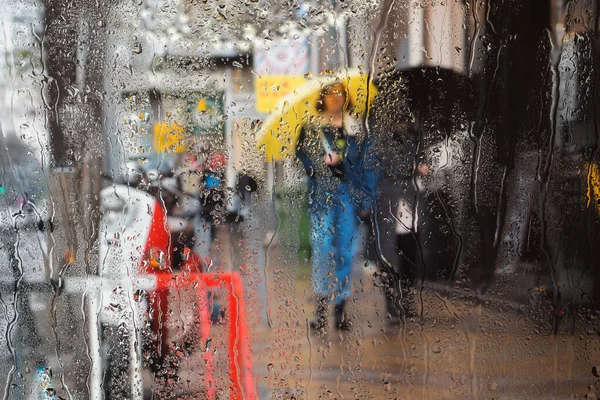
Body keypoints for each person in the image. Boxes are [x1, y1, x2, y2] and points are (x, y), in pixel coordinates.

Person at [295, 82, 365, 332]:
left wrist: (344, 163)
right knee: (323, 248)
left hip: (347, 195)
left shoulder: (354, 127)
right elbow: (301, 156)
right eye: (331, 94)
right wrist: (319, 162)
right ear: (322, 98)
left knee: (346, 250)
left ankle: (341, 307)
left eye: (340, 94)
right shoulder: (312, 127)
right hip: (321, 193)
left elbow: (363, 162)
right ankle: (322, 306)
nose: (335, 98)